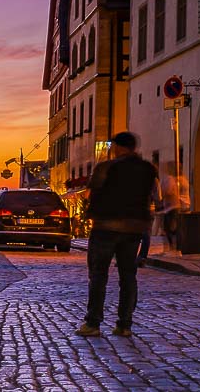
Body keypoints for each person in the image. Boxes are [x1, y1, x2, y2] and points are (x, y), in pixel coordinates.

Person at [78, 132, 159, 338]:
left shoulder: (106, 167)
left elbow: (92, 193)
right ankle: (124, 325)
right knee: (128, 276)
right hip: (134, 228)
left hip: (106, 226)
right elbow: (151, 196)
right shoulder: (148, 169)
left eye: (113, 146)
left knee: (98, 275)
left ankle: (93, 323)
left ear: (119, 147)